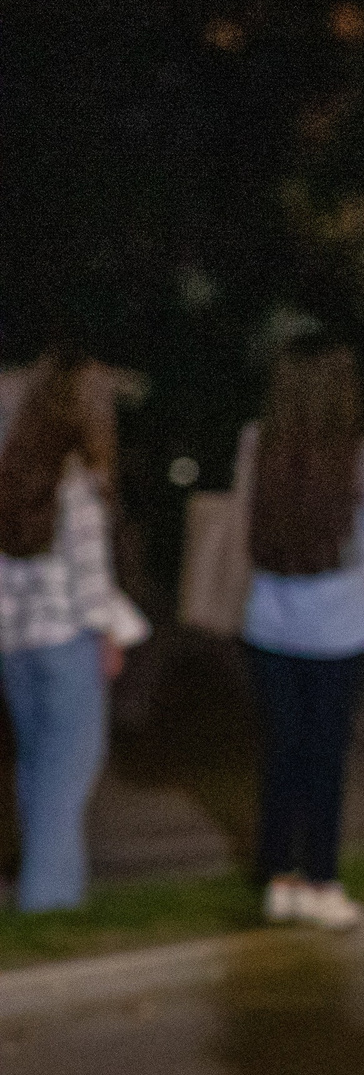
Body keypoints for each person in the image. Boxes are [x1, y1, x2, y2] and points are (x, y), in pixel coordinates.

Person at [236, 340, 364, 928]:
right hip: (339, 628)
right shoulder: (361, 457)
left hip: (269, 626)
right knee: (325, 758)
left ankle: (277, 877)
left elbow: (245, 515)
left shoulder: (257, 444)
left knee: (281, 752)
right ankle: (321, 880)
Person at [0, 352, 148, 912]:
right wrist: (108, 632)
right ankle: (49, 898)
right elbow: (90, 575)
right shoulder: (75, 477)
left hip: (15, 642)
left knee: (37, 764)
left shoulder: (10, 470)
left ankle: (51, 888)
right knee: (70, 770)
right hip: (67, 639)